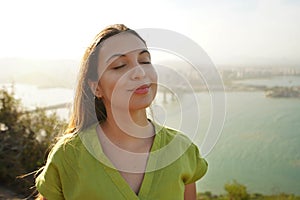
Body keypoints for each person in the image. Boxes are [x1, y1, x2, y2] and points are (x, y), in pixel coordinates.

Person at [35, 24, 208, 200]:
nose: (139, 72)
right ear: (96, 88)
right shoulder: (68, 155)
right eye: (119, 65)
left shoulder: (182, 150)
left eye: (145, 61)